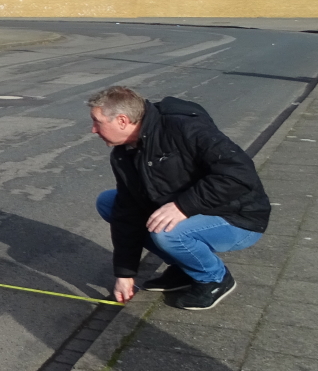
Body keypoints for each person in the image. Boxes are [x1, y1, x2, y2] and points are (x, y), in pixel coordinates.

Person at [89, 86, 269, 310]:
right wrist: (125, 273)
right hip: (196, 208)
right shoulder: (123, 153)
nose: (93, 130)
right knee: (109, 202)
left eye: (97, 122)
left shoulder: (183, 127)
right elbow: (127, 213)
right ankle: (185, 269)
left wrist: (183, 206)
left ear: (123, 121)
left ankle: (214, 279)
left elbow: (240, 175)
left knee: (168, 233)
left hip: (238, 215)